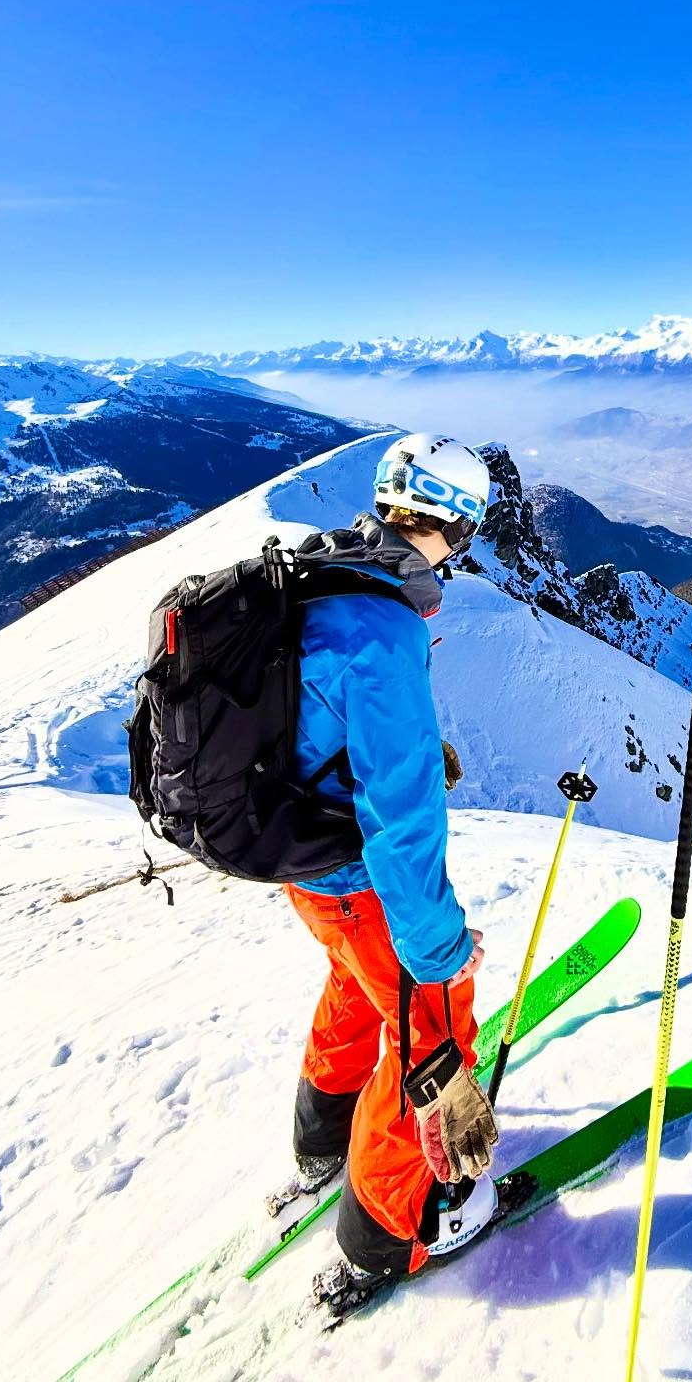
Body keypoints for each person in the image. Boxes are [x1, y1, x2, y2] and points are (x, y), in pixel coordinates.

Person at [279, 432, 500, 1305]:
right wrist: (440, 948)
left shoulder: (322, 576)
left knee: (351, 991)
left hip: (306, 868)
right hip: (361, 881)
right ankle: (387, 1233)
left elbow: (319, 722)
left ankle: (320, 1143)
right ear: (459, 518)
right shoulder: (383, 627)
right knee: (432, 1040)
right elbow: (401, 821)